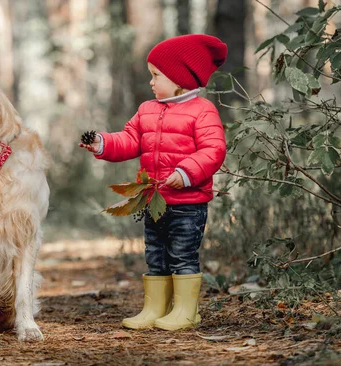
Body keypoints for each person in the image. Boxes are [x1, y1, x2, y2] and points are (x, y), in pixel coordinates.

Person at [79, 34, 227, 331]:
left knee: (182, 255)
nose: (151, 82)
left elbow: (214, 149)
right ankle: (155, 308)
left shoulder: (202, 111)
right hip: (153, 201)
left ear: (179, 77)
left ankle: (186, 310)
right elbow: (130, 140)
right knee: (156, 255)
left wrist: (186, 172)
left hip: (188, 204)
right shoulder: (147, 110)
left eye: (156, 75)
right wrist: (102, 143)